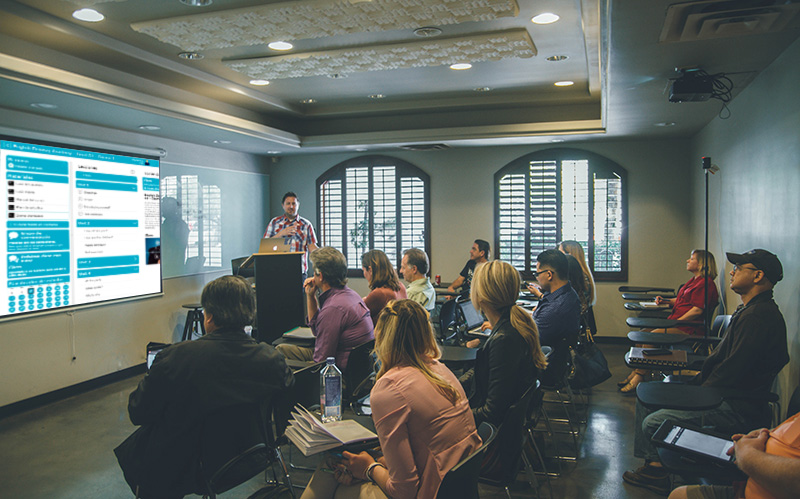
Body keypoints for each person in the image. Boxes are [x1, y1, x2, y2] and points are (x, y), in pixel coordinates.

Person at [623, 249, 789, 496]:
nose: (732, 272)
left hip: (734, 405)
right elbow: (722, 363)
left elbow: (732, 372)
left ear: (758, 276)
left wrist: (693, 392)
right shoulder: (749, 311)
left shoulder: (759, 317)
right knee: (645, 397)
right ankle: (655, 467)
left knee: (653, 420)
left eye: (739, 268)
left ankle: (657, 472)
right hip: (718, 391)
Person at [114, 276, 294, 499]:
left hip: (186, 468)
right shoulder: (271, 359)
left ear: (208, 316)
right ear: (250, 314)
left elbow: (138, 412)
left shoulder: (175, 358)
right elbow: (287, 388)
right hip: (250, 456)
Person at [300, 299, 481, 499]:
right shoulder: (440, 370)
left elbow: (404, 491)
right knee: (340, 464)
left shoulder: (389, 389)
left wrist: (369, 468)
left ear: (381, 338)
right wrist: (373, 465)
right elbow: (423, 450)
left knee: (337, 481)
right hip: (452, 485)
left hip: (431, 490)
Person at [459, 260, 548, 428]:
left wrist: (452, 416)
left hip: (492, 435)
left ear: (481, 296)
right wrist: (454, 385)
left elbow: (492, 412)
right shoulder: (513, 325)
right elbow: (485, 370)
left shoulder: (504, 340)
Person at [619, 249, 720, 393]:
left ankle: (639, 376)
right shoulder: (694, 281)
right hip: (678, 323)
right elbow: (681, 300)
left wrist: (676, 322)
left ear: (701, 264)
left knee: (651, 337)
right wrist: (664, 300)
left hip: (688, 328)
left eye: (691, 259)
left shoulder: (706, 284)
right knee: (643, 334)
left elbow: (697, 310)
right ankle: (636, 372)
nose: (687, 261)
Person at [276, 246, 373, 370]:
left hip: (337, 373)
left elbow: (320, 361)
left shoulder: (333, 309)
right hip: (357, 371)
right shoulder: (351, 295)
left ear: (320, 276)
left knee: (278, 357)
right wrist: (310, 296)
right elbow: (317, 331)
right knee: (282, 349)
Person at [668, 411, 800, 499]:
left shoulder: (747, 457)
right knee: (679, 495)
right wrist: (766, 434)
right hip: (751, 486)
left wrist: (747, 455)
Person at [530, 249, 582, 387]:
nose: (537, 277)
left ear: (549, 275)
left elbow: (529, 339)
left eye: (537, 273)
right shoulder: (566, 294)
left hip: (546, 367)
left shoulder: (556, 308)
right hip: (556, 359)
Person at [264, 191, 318, 277]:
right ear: (283, 205)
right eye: (288, 203)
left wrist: (324, 257)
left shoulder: (306, 224)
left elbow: (312, 247)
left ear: (298, 205)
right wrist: (281, 234)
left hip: (299, 272)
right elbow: (265, 246)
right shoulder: (274, 222)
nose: (291, 206)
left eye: (294, 204)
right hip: (277, 271)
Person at [361, 249, 407, 323]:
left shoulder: (379, 293)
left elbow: (357, 316)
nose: (364, 274)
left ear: (370, 270)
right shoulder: (400, 286)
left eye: (363, 270)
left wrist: (362, 301)